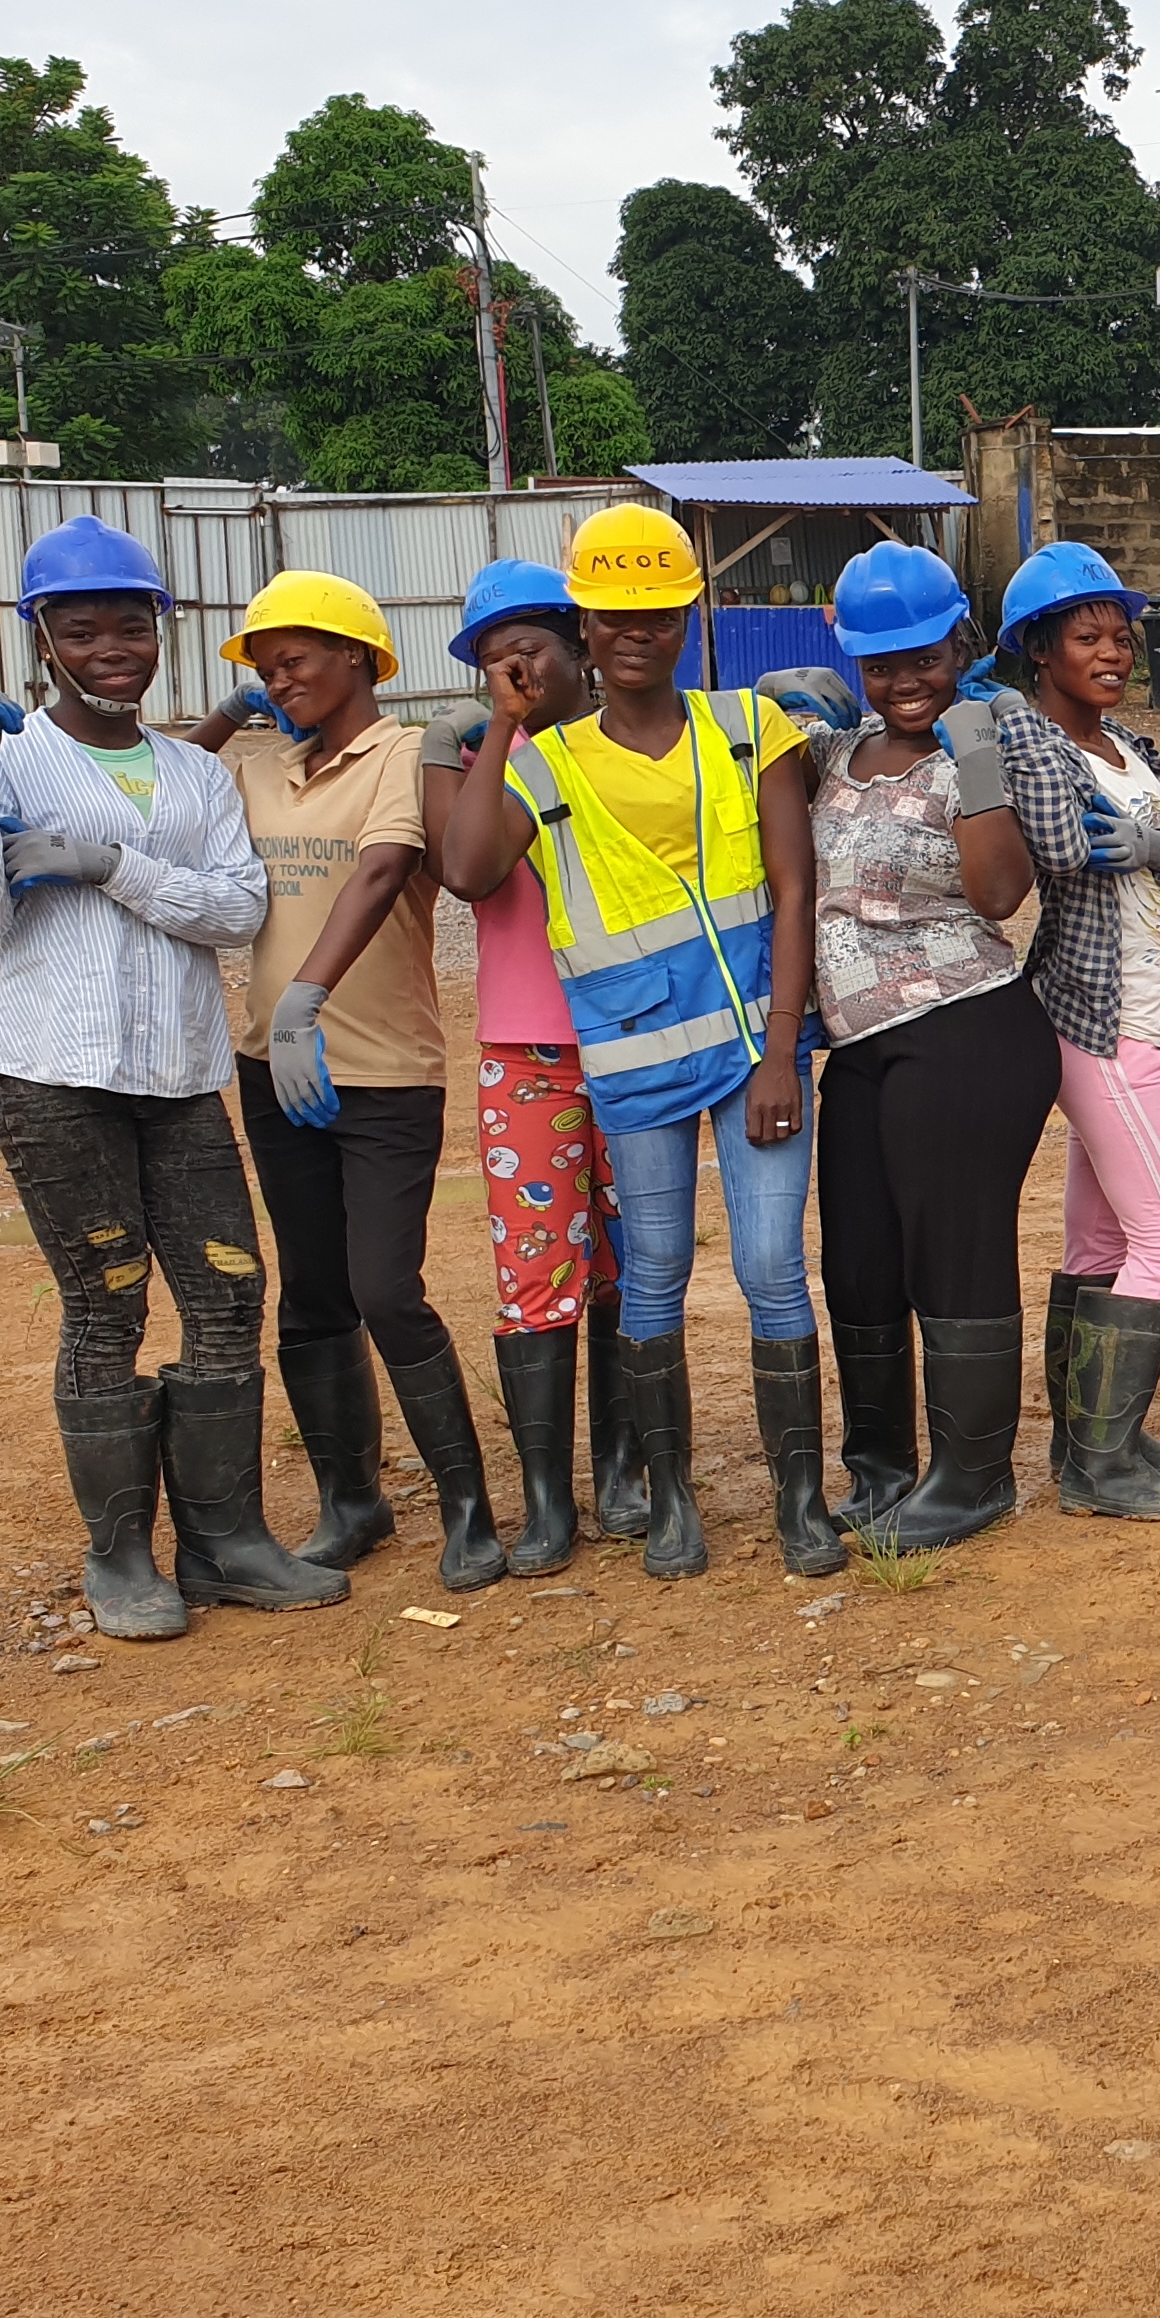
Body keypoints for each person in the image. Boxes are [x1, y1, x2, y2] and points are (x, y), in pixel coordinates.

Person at [0, 516, 345, 1637]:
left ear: (158, 634)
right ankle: (120, 1559)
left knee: (227, 1290)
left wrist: (105, 863)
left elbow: (239, 910)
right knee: (105, 1302)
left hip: (177, 1075)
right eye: (83, 626)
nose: (113, 645)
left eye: (132, 624)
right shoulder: (10, 758)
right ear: (44, 638)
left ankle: (226, 1541)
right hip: (51, 1072)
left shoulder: (190, 774)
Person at [437, 502, 835, 1581]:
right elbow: (468, 871)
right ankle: (671, 1506)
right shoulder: (546, 761)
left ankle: (802, 1504)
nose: (637, 632)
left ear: (687, 617)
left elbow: (795, 890)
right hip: (634, 1063)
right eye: (614, 615)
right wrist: (504, 726)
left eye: (658, 612)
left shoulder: (750, 726)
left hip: (755, 1052)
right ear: (585, 624)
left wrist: (780, 1047)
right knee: (652, 1274)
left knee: (768, 1267)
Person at [188, 570, 505, 1591]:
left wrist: (304, 1004)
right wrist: (226, 714)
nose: (279, 682)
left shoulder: (406, 757)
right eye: (265, 670)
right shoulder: (256, 768)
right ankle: (352, 1501)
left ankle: (468, 1510)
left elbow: (381, 871)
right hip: (270, 1072)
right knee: (313, 1293)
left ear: (360, 658)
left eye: (295, 662)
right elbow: (158, 795)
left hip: (381, 1072)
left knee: (385, 1287)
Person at [795, 541, 1068, 1550]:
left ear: (962, 642)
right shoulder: (836, 754)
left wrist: (981, 762)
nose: (907, 680)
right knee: (860, 1260)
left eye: (925, 654)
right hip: (859, 1047)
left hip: (965, 1030)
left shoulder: (987, 742)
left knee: (953, 1255)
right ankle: (880, 1468)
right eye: (882, 663)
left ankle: (973, 1476)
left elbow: (1002, 894)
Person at [421, 561, 639, 1572]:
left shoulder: (626, 748)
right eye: (492, 655)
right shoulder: (488, 766)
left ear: (581, 643)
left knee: (631, 1265)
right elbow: (465, 872)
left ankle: (629, 1466)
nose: (516, 665)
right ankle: (549, 1498)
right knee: (537, 1271)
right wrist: (497, 737)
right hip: (529, 1049)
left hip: (637, 1036)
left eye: (533, 644)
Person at [999, 541, 1160, 1523]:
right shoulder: (1032, 744)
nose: (1114, 651)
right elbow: (1055, 845)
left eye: (1119, 636)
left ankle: (1094, 1442)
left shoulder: (1127, 748)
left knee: (1100, 1241)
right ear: (1038, 651)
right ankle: (1101, 1459)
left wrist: (1153, 843)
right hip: (1098, 1019)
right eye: (1087, 637)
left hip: (1149, 1019)